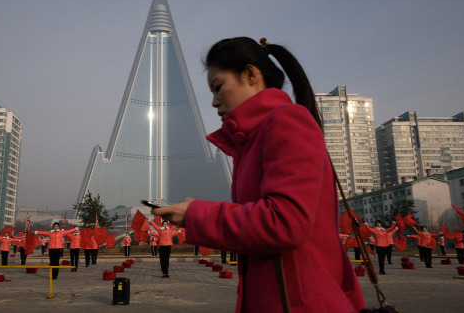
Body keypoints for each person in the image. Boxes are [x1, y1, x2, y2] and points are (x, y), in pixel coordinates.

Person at [152, 37, 365, 312]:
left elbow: (285, 222)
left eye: (218, 87)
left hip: (301, 303)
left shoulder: (287, 120)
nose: (215, 102)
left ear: (251, 74)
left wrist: (195, 214)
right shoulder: (249, 143)